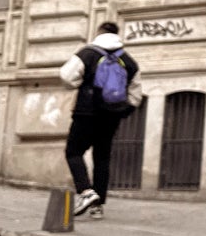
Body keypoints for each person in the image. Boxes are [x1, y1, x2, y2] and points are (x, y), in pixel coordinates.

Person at [57, 22, 142, 218]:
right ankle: (98, 207)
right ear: (117, 34)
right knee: (102, 157)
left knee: (73, 151)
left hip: (86, 112)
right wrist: (122, 111)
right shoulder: (128, 60)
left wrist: (81, 84)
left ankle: (86, 191)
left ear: (99, 32)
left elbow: (66, 76)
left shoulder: (87, 53)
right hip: (112, 115)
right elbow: (136, 94)